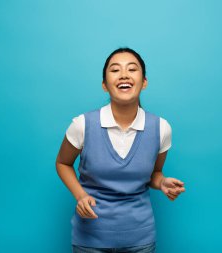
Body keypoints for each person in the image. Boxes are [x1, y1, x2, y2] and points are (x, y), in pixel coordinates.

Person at [56, 47, 185, 253]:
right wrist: (80, 195)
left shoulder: (161, 128)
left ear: (144, 82)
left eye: (132, 69)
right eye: (115, 70)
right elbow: (62, 163)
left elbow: (154, 174)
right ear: (104, 85)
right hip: (89, 239)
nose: (124, 74)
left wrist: (162, 182)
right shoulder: (82, 125)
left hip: (140, 239)